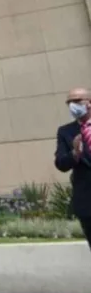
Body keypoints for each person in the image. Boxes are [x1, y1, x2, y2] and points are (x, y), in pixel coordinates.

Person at [56, 88, 91, 246]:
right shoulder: (66, 132)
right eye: (69, 102)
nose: (72, 105)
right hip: (86, 199)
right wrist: (75, 153)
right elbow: (61, 163)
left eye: (77, 101)